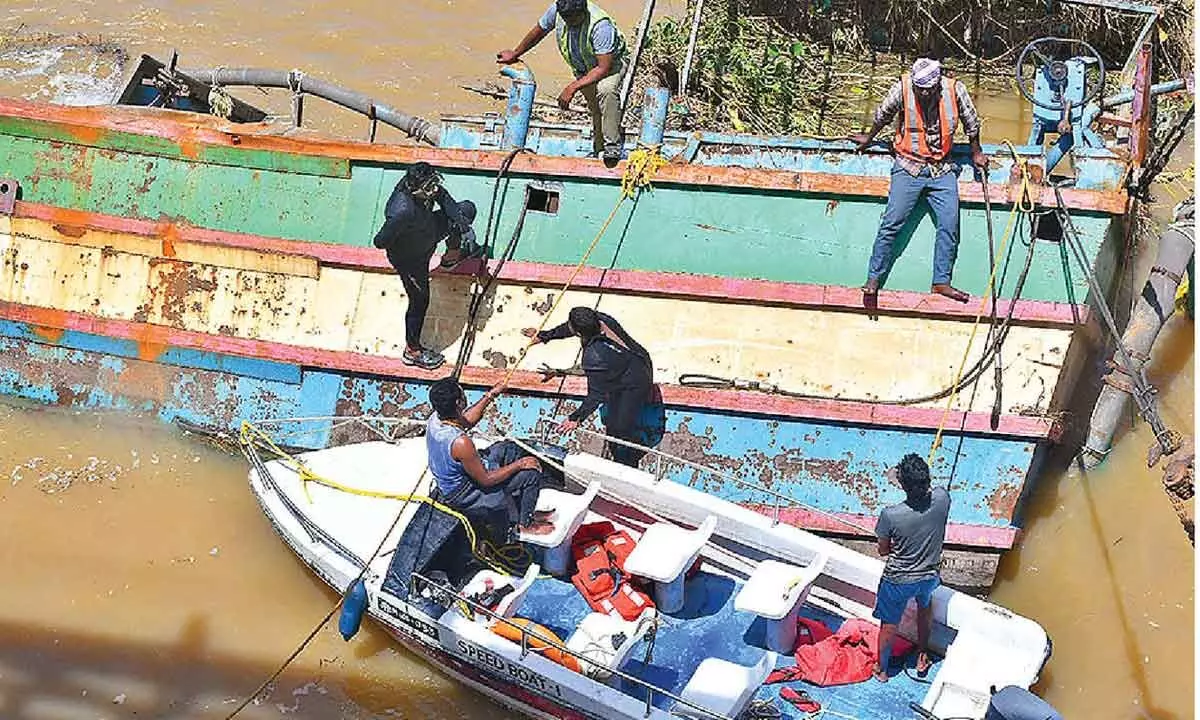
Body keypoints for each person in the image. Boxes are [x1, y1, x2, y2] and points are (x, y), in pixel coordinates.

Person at [852, 58, 988, 304]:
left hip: (941, 167)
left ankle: (941, 282)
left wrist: (976, 152)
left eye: (929, 89)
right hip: (908, 165)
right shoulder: (902, 88)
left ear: (938, 85)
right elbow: (883, 114)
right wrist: (869, 138)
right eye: (920, 89)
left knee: (950, 224)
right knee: (891, 223)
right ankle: (873, 278)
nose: (924, 93)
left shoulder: (955, 90)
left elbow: (972, 123)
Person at [373, 162, 482, 370]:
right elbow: (380, 241)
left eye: (434, 184)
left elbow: (445, 200)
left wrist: (464, 227)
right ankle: (412, 351)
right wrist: (406, 238)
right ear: (415, 189)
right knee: (420, 300)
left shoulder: (426, 186)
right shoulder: (401, 211)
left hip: (429, 230)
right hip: (412, 258)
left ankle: (451, 257)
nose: (434, 190)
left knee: (466, 209)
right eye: (429, 188)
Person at [497, 0, 628, 164]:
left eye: (574, 19)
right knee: (596, 108)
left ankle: (612, 147)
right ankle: (599, 150)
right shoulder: (559, 10)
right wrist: (516, 53)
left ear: (583, 11)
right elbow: (539, 31)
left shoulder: (601, 27)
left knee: (606, 90)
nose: (570, 23)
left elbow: (603, 68)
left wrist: (572, 88)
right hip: (584, 68)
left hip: (611, 65)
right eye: (566, 18)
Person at [426, 377, 555, 540]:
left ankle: (523, 510)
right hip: (465, 493)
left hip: (465, 474)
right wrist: (520, 464)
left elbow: (466, 421)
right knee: (530, 474)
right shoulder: (461, 443)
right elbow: (486, 480)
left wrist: (490, 395)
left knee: (509, 448)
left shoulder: (436, 418)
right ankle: (525, 524)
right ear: (459, 403)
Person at [523, 307, 652, 467]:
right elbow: (570, 328)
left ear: (579, 333)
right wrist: (545, 336)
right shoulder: (602, 318)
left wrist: (576, 418)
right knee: (613, 402)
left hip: (635, 382)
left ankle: (628, 463)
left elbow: (596, 395)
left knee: (619, 426)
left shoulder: (594, 356)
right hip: (639, 358)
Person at [871, 453, 951, 682]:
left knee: (889, 623)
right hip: (929, 577)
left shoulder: (890, 515)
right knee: (924, 608)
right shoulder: (943, 499)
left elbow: (883, 551)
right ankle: (922, 655)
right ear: (927, 479)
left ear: (903, 485)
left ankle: (882, 670)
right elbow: (937, 491)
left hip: (898, 581)